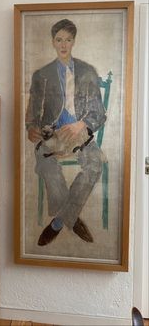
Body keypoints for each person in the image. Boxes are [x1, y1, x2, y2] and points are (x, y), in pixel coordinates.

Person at [25, 19, 106, 246]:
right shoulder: (41, 74)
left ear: (73, 41)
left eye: (68, 40)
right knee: (46, 165)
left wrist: (82, 124)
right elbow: (32, 113)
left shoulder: (88, 72)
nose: (63, 44)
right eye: (59, 39)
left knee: (95, 164)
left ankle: (59, 221)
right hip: (52, 136)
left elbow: (99, 113)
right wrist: (31, 128)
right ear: (53, 42)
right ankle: (71, 218)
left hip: (81, 135)